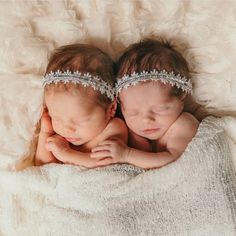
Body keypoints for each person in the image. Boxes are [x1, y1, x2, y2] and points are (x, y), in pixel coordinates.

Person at [90, 39, 199, 169]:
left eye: (159, 109)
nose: (146, 119)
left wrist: (126, 154)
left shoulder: (183, 124)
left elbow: (172, 159)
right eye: (132, 112)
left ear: (181, 98)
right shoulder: (128, 128)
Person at [35, 44, 128, 168]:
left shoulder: (114, 128)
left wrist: (66, 154)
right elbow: (43, 167)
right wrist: (45, 133)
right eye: (56, 118)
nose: (68, 129)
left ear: (111, 109)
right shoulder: (63, 133)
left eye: (80, 120)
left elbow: (105, 162)